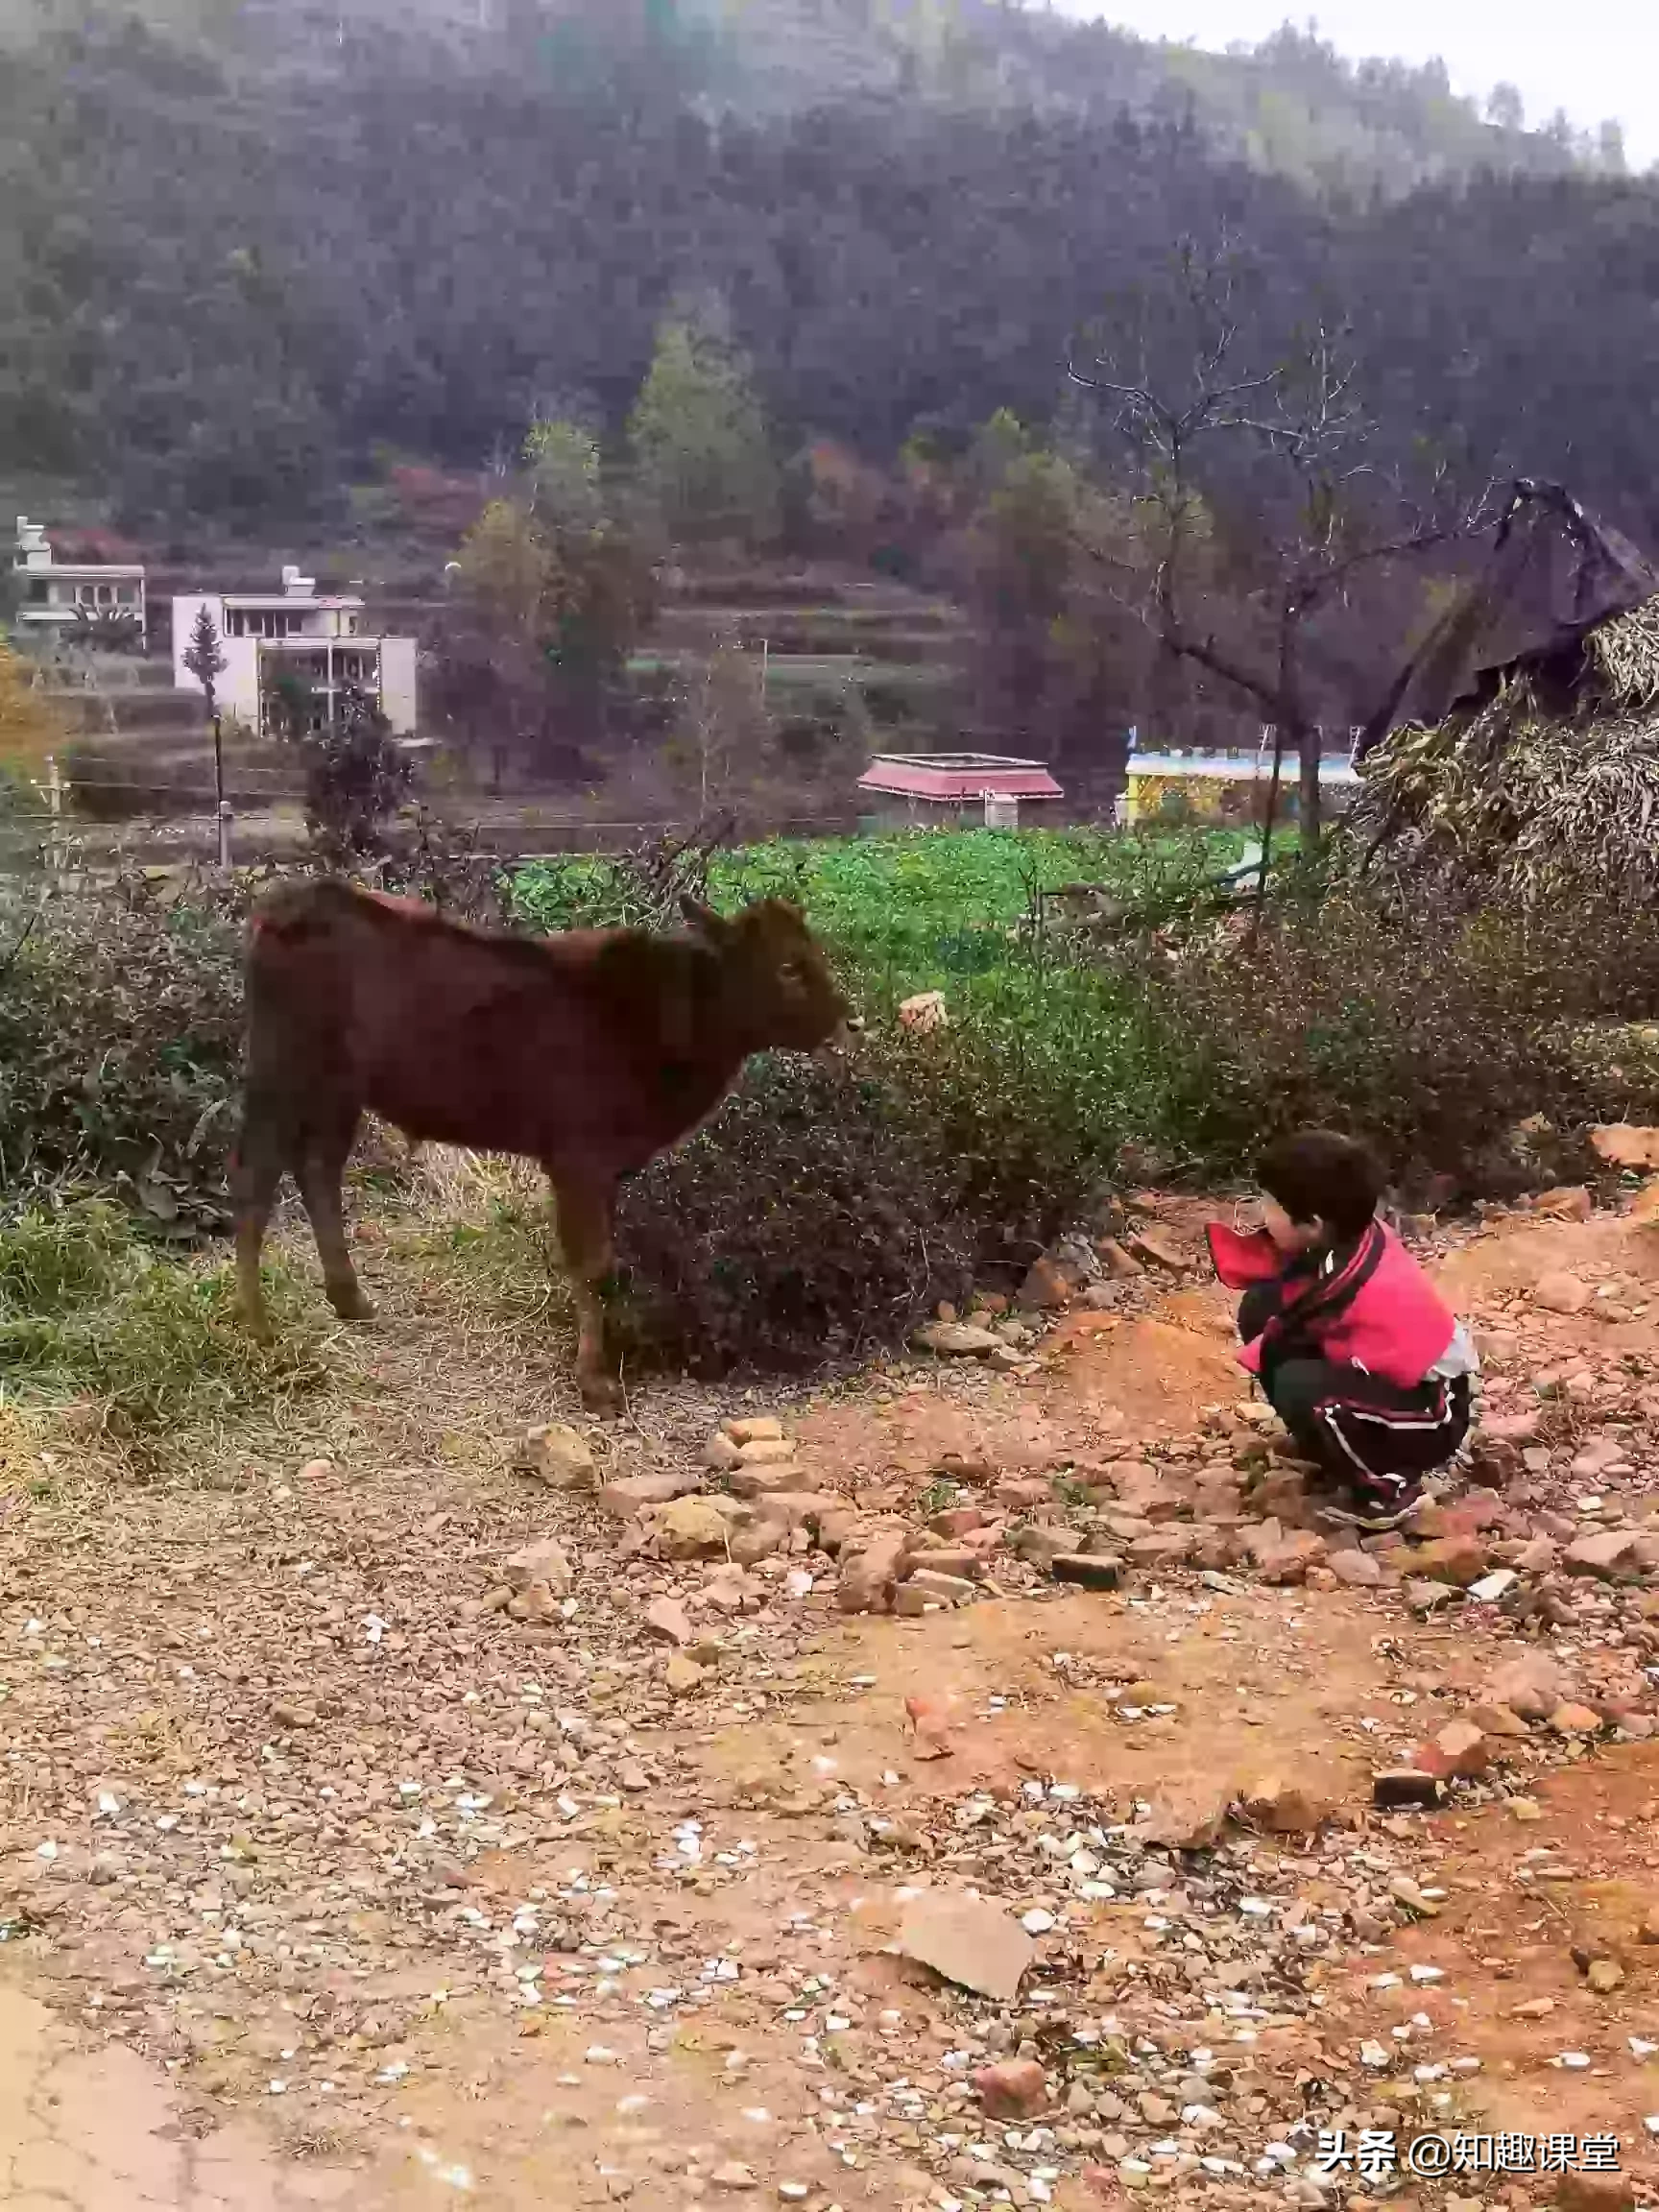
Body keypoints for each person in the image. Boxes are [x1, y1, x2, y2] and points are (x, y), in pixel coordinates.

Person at [1206, 1130, 1479, 1527]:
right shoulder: (1346, 1236)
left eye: (1270, 1205)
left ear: (1313, 1224)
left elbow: (1283, 1339)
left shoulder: (1351, 1284)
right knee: (1263, 1311)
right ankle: (1333, 1449)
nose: (1262, 1215)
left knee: (1306, 1388)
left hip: (1435, 1415)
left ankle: (1390, 1489)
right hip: (1398, 1395)